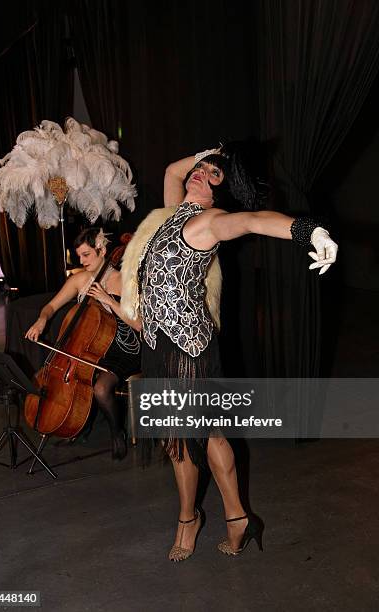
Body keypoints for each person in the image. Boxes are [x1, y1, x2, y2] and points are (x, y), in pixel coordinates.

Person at [120, 142, 338, 561]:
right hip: (159, 344)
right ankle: (237, 517)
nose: (200, 174)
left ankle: (189, 519)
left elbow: (255, 221)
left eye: (213, 175)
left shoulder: (208, 221)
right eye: (199, 170)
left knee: (182, 439)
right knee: (202, 434)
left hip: (186, 349)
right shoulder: (172, 212)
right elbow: (170, 169)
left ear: (222, 190)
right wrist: (206, 155)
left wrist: (309, 231)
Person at [25, 227, 142, 460]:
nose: (81, 260)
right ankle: (79, 424)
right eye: (79, 255)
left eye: (86, 254)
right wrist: (42, 319)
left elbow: (139, 325)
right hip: (90, 348)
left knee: (100, 388)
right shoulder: (79, 280)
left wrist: (108, 300)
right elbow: (51, 306)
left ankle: (116, 432)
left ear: (102, 250)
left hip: (124, 348)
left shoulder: (125, 281)